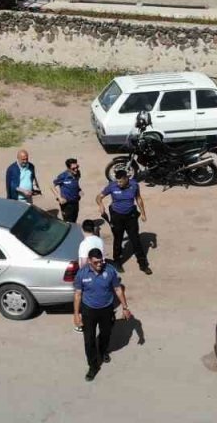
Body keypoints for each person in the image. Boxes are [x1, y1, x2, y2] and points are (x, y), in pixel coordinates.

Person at [72, 248, 131, 382]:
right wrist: (76, 314)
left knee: (106, 334)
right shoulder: (82, 274)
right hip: (89, 311)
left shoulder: (109, 270)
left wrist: (125, 307)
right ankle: (93, 366)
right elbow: (77, 294)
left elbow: (117, 289)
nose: (100, 264)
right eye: (96, 262)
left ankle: (103, 351)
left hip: (106, 310)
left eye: (101, 261)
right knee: (89, 340)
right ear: (89, 261)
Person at [97, 169, 151, 275]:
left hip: (131, 216)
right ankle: (117, 262)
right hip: (117, 216)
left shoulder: (134, 185)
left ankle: (143, 264)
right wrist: (101, 205)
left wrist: (143, 213)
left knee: (135, 240)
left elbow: (138, 198)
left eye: (121, 181)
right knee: (118, 239)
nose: (119, 183)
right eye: (117, 181)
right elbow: (99, 197)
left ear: (126, 179)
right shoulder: (112, 186)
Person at [51, 158, 83, 222]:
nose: (76, 170)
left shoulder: (78, 173)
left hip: (75, 201)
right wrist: (59, 197)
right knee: (68, 221)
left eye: (77, 167)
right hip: (66, 204)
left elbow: (76, 183)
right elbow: (52, 186)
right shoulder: (63, 176)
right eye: (73, 168)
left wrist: (79, 190)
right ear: (68, 168)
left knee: (74, 219)